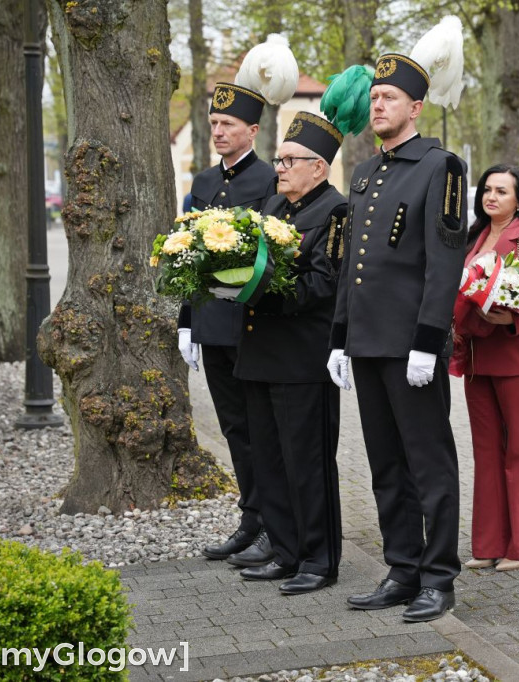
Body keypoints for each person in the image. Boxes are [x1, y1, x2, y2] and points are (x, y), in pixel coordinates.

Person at [328, 42, 467, 622]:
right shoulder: (363, 173)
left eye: (389, 97)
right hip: (367, 341)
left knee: (428, 463)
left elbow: (445, 261)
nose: (377, 105)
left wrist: (429, 340)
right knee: (385, 463)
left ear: (417, 106)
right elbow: (350, 267)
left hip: (412, 344)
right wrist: (339, 336)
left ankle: (439, 577)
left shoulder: (442, 167)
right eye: (375, 96)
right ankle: (402, 568)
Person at [214, 113, 348, 594]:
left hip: (301, 359)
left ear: (319, 167)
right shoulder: (274, 205)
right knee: (269, 460)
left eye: (290, 160)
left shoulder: (334, 213)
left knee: (306, 463)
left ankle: (319, 559)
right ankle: (286, 551)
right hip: (259, 352)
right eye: (279, 159)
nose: (281, 168)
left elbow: (323, 284)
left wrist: (260, 290)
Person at [182, 80, 277, 564]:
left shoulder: (268, 182)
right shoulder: (201, 183)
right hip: (211, 324)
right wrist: (185, 322)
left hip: (250, 322)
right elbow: (184, 258)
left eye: (228, 125)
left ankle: (270, 524)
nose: (218, 132)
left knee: (260, 426)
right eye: (214, 124)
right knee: (234, 428)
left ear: (252, 131)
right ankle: (249, 519)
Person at [451, 165, 519, 572]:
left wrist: (513, 318)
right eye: (487, 190)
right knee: (486, 451)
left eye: (501, 191)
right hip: (476, 355)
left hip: (514, 355)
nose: (491, 197)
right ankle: (489, 543)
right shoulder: (474, 237)